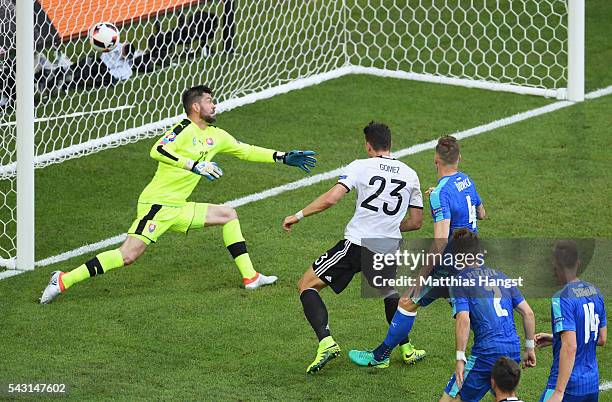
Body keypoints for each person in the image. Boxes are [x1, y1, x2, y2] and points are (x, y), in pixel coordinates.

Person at [40, 85, 317, 303]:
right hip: (158, 205)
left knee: (228, 215)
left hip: (178, 206)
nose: (214, 104)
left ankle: (251, 277)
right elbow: (157, 149)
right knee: (127, 256)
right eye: (209, 101)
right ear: (196, 106)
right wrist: (194, 165)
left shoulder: (216, 135)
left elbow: (246, 150)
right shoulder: (183, 130)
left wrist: (282, 157)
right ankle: (63, 279)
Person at [282, 122, 425, 373]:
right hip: (388, 245)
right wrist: (387, 226)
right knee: (388, 293)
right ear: (390, 144)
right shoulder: (410, 174)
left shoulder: (360, 166)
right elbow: (416, 222)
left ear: (368, 145)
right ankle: (407, 348)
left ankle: (326, 342)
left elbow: (331, 198)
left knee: (307, 284)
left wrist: (298, 215)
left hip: (357, 244)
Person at [349, 136, 486, 367]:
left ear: (435, 159)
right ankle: (489, 352)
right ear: (459, 158)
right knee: (471, 309)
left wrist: (423, 274)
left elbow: (441, 241)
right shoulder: (466, 181)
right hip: (473, 258)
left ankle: (380, 356)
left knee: (407, 302)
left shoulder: (439, 194)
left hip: (450, 264)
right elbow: (481, 213)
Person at [437, 229, 536, 401]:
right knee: (505, 397)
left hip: (486, 352)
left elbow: (463, 318)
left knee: (451, 398)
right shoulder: (502, 277)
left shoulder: (460, 281)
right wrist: (529, 347)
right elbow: (528, 313)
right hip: (512, 350)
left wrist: (460, 357)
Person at [535, 240, 607, 402]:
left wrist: (559, 391)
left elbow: (570, 346)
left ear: (556, 265)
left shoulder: (561, 298)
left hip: (568, 385)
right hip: (591, 383)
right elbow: (601, 338)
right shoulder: (596, 292)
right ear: (578, 263)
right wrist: (556, 339)